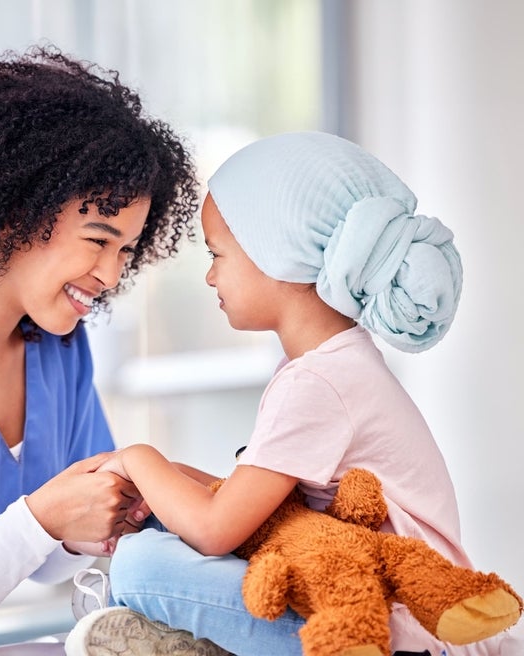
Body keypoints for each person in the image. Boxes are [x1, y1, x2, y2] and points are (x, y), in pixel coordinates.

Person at [64, 131, 521, 656]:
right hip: (365, 597)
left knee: (142, 568)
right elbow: (254, 506)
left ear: (278, 253)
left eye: (217, 254)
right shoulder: (332, 362)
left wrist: (137, 456)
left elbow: (217, 530)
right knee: (163, 518)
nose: (211, 276)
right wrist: (161, 480)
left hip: (386, 629)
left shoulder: (318, 382)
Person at [0, 45, 199, 656]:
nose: (109, 274)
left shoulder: (59, 350)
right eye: (98, 239)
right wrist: (42, 517)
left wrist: (94, 523)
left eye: (126, 250)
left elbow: (46, 561)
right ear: (10, 214)